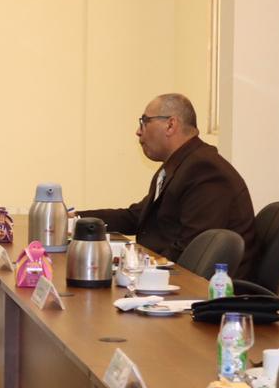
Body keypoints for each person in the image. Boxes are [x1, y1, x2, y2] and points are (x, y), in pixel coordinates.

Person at [79, 93, 257, 273]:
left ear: (170, 125)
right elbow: (137, 216)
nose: (138, 131)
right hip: (169, 276)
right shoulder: (179, 165)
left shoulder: (205, 170)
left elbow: (192, 248)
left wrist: (138, 266)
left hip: (203, 286)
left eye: (144, 122)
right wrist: (77, 220)